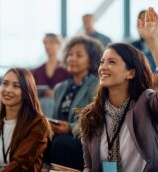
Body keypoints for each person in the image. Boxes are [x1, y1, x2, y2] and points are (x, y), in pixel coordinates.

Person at [76, 8, 158, 172]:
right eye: (102, 62)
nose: (103, 67)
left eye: (111, 62)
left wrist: (153, 41)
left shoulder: (146, 103)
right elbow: (89, 166)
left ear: (131, 73)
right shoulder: (91, 115)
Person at [0, 68, 52, 172]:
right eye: (5, 84)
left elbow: (20, 165)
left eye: (16, 86)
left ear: (26, 92)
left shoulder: (38, 124)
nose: (8, 90)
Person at [46, 35, 104, 171]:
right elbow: (54, 117)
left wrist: (69, 128)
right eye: (70, 55)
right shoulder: (60, 88)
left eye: (79, 55)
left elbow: (96, 123)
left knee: (61, 144)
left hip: (85, 141)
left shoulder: (97, 85)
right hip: (59, 138)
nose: (72, 59)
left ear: (91, 61)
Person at [32, 33, 70, 117]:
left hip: (60, 108)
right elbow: (31, 90)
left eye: (51, 42)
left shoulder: (67, 70)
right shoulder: (37, 71)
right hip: (40, 109)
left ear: (59, 45)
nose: (47, 46)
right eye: (45, 43)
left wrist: (55, 93)